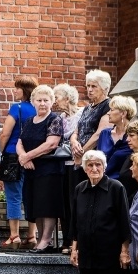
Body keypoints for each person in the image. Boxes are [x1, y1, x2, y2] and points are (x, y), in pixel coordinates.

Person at [70, 150, 131, 274]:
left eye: (98, 165)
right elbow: (75, 223)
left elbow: (124, 222)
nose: (94, 168)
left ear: (104, 167)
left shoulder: (116, 188)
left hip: (109, 255)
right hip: (87, 254)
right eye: (90, 165)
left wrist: (124, 251)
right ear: (85, 168)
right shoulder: (80, 189)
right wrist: (74, 249)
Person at [17, 85, 65, 253]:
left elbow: (51, 144)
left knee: (47, 205)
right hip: (31, 170)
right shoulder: (30, 121)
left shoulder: (54, 119)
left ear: (52, 102)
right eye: (39, 100)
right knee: (35, 205)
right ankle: (39, 239)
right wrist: (23, 157)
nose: (42, 103)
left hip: (49, 170)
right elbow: (20, 142)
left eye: (46, 100)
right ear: (33, 102)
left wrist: (27, 156)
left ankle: (46, 240)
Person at [0, 76, 37, 249]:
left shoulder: (17, 108)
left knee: (13, 196)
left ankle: (14, 236)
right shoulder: (38, 109)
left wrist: (2, 150)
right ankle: (32, 235)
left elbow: (5, 133)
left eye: (17, 88)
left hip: (13, 155)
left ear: (25, 90)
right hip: (34, 157)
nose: (15, 91)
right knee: (31, 196)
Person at [54, 83, 81, 254]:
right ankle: (66, 239)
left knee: (74, 201)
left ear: (67, 98)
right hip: (61, 164)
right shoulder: (60, 118)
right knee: (64, 203)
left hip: (77, 164)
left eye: (57, 97)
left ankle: (74, 241)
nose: (55, 101)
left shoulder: (81, 114)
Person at [70, 69, 112, 180]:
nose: (89, 89)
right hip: (79, 157)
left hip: (94, 158)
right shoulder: (87, 108)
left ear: (104, 88)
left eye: (94, 86)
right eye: (88, 86)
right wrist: (73, 142)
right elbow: (76, 131)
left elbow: (100, 134)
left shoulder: (108, 105)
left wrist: (82, 153)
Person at [97, 95, 137, 179]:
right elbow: (97, 160)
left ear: (123, 113)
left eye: (111, 110)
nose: (108, 113)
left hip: (125, 184)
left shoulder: (136, 135)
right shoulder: (104, 134)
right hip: (103, 182)